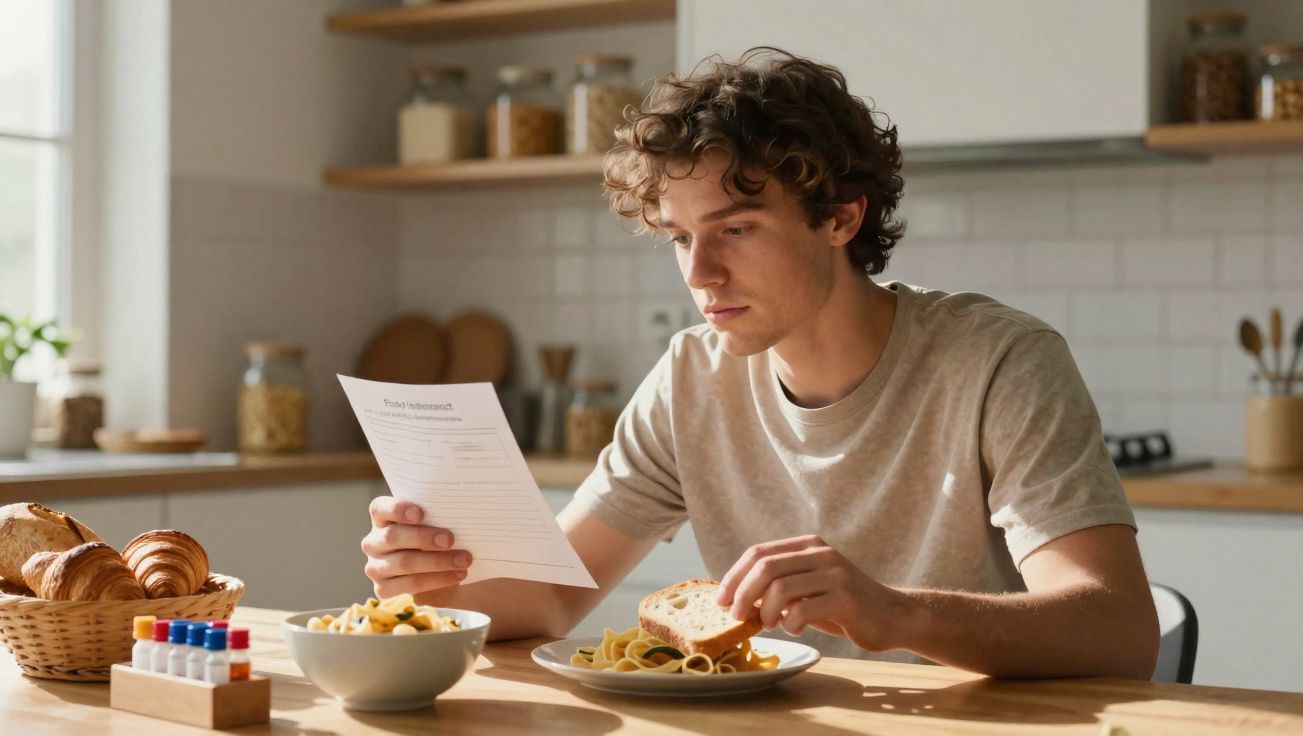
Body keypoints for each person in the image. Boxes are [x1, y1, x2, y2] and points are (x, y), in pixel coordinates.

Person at [362, 48, 1159, 679]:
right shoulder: (690, 378)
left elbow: (1119, 631)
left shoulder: (999, 361)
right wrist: (433, 583)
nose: (699, 273)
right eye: (679, 237)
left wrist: (895, 613)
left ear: (842, 216)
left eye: (735, 228)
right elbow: (547, 598)